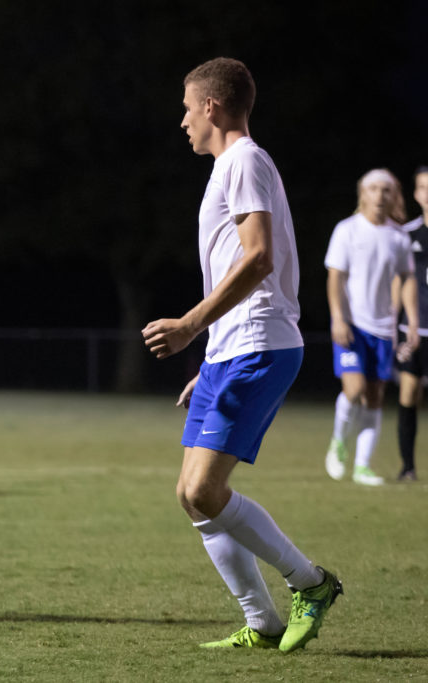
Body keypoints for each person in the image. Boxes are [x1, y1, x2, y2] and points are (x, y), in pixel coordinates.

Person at [143, 57, 342, 652]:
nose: (183, 121)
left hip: (261, 344)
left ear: (211, 106)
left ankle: (312, 583)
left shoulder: (245, 160)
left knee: (206, 491)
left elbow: (258, 258)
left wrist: (189, 325)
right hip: (232, 349)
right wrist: (209, 356)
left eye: (187, 108)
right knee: (191, 495)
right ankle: (263, 622)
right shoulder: (228, 167)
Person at [324, 169, 417, 486]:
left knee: (375, 398)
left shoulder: (398, 237)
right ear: (362, 193)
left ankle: (362, 466)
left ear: (393, 196)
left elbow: (407, 278)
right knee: (354, 389)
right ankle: (338, 442)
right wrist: (338, 317)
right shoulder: (347, 230)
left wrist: (411, 321)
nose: (380, 195)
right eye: (373, 188)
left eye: (386, 190)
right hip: (352, 325)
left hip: (383, 329)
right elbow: (335, 277)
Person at [394, 166, 428, 482]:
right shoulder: (407, 234)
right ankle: (408, 468)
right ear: (416, 194)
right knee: (408, 396)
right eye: (423, 187)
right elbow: (398, 281)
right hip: (413, 331)